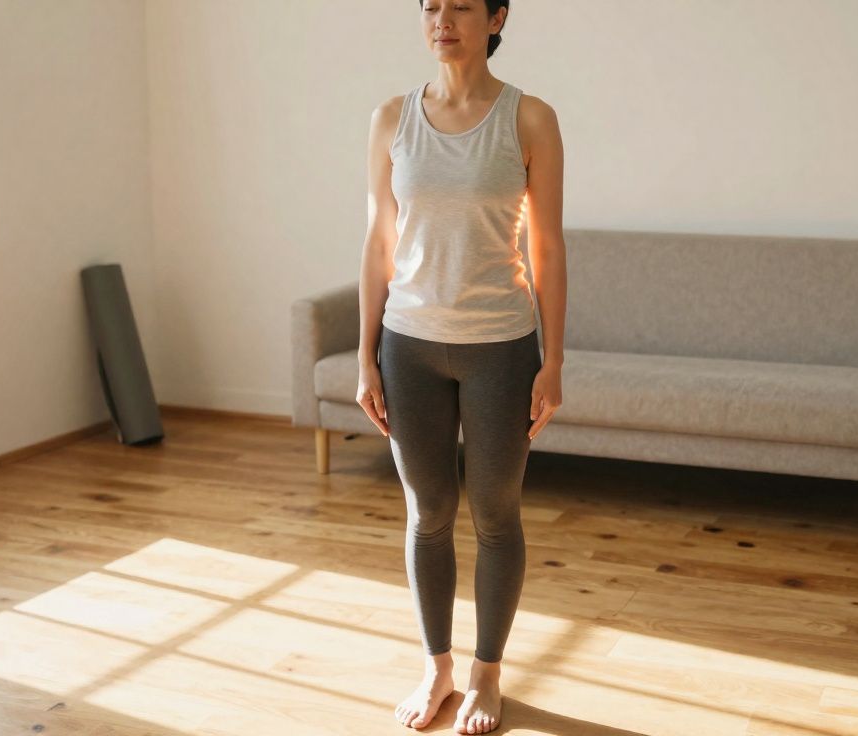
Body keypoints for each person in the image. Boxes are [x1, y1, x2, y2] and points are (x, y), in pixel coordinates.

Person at [355, 1, 567, 732]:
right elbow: (379, 243)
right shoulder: (391, 118)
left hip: (502, 349)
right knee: (429, 513)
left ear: (497, 14)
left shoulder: (529, 118)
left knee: (496, 515)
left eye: (460, 6)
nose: (442, 18)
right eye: (430, 6)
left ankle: (486, 674)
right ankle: (437, 666)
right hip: (407, 343)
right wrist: (365, 356)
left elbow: (547, 247)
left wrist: (554, 359)